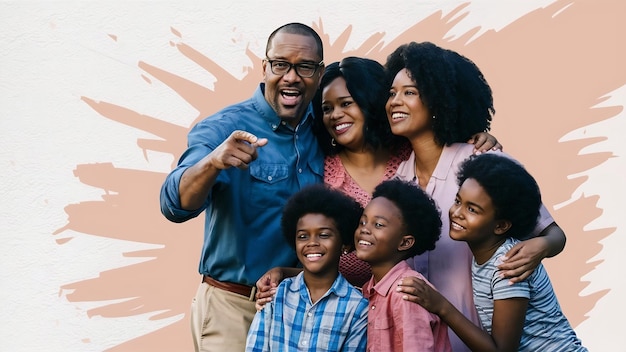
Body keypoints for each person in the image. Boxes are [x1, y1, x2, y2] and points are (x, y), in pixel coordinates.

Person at [255, 56, 501, 299]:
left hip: (440, 302)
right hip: (353, 316)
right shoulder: (321, 175)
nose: (335, 115)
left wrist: (477, 136)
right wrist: (284, 273)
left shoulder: (412, 156)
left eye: (346, 103)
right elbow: (319, 257)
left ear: (370, 103)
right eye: (327, 109)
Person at [385, 41, 567, 351]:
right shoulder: (398, 182)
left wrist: (539, 247)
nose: (394, 102)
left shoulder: (484, 163)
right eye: (391, 93)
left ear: (439, 101)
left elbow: (554, 234)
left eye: (409, 92)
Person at [159, 23, 326, 352]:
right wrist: (212, 163)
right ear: (265, 68)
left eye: (305, 67)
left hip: (301, 311)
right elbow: (173, 204)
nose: (291, 77)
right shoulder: (223, 127)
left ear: (319, 74)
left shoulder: (323, 131)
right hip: (234, 307)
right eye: (281, 64)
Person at [403, 153, 587, 351]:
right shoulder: (487, 257)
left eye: (472, 210)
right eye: (458, 201)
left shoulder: (507, 265)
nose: (457, 213)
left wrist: (440, 305)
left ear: (500, 226)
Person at [245, 184, 368, 351]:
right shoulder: (275, 295)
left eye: (324, 235)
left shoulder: (358, 308)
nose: (312, 243)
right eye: (303, 236)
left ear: (345, 244)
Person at [356, 179, 451, 351]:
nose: (365, 229)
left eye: (378, 224)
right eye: (363, 222)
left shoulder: (407, 293)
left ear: (405, 243)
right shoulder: (369, 289)